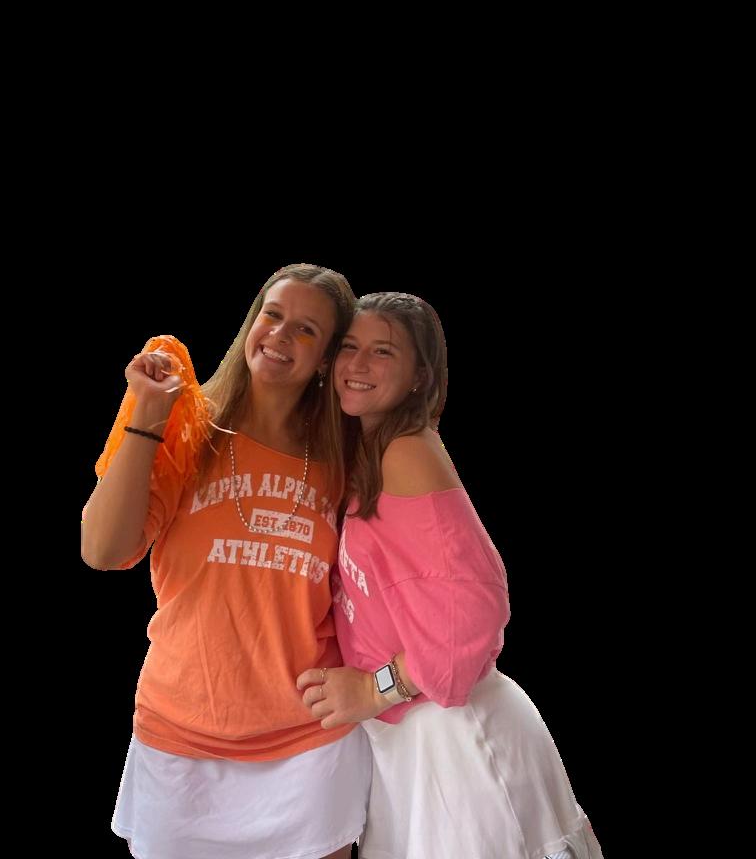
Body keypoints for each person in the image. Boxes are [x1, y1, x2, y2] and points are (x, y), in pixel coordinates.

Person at [297, 292, 604, 859]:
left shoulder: (406, 453)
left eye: (382, 351)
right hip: (417, 740)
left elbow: (471, 616)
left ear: (420, 376)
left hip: (456, 736)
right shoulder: (371, 451)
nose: (358, 364)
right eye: (349, 347)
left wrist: (370, 688)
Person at [81, 264, 371, 859]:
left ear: (326, 360)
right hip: (180, 735)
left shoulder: (349, 455)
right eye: (273, 315)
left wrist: (378, 684)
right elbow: (103, 550)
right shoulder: (187, 429)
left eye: (306, 330)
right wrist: (147, 414)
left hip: (309, 740)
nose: (280, 335)